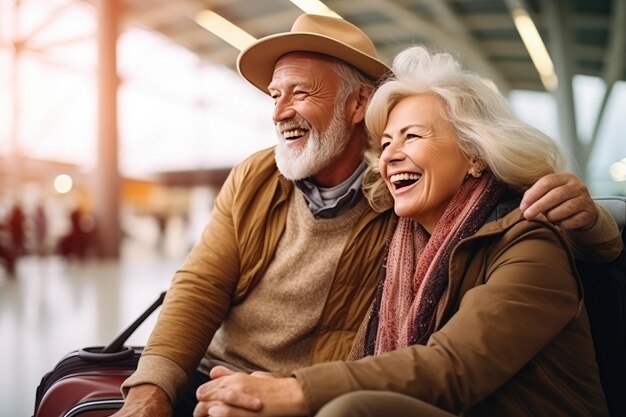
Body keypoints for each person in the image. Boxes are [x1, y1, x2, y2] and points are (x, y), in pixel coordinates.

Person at [113, 15, 621, 417]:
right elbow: (200, 283)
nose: (279, 111)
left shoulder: (406, 202)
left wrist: (592, 223)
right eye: (275, 95)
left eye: (301, 93)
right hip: (223, 379)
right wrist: (153, 386)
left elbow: (513, 220)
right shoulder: (266, 177)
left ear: (358, 104)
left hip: (310, 395)